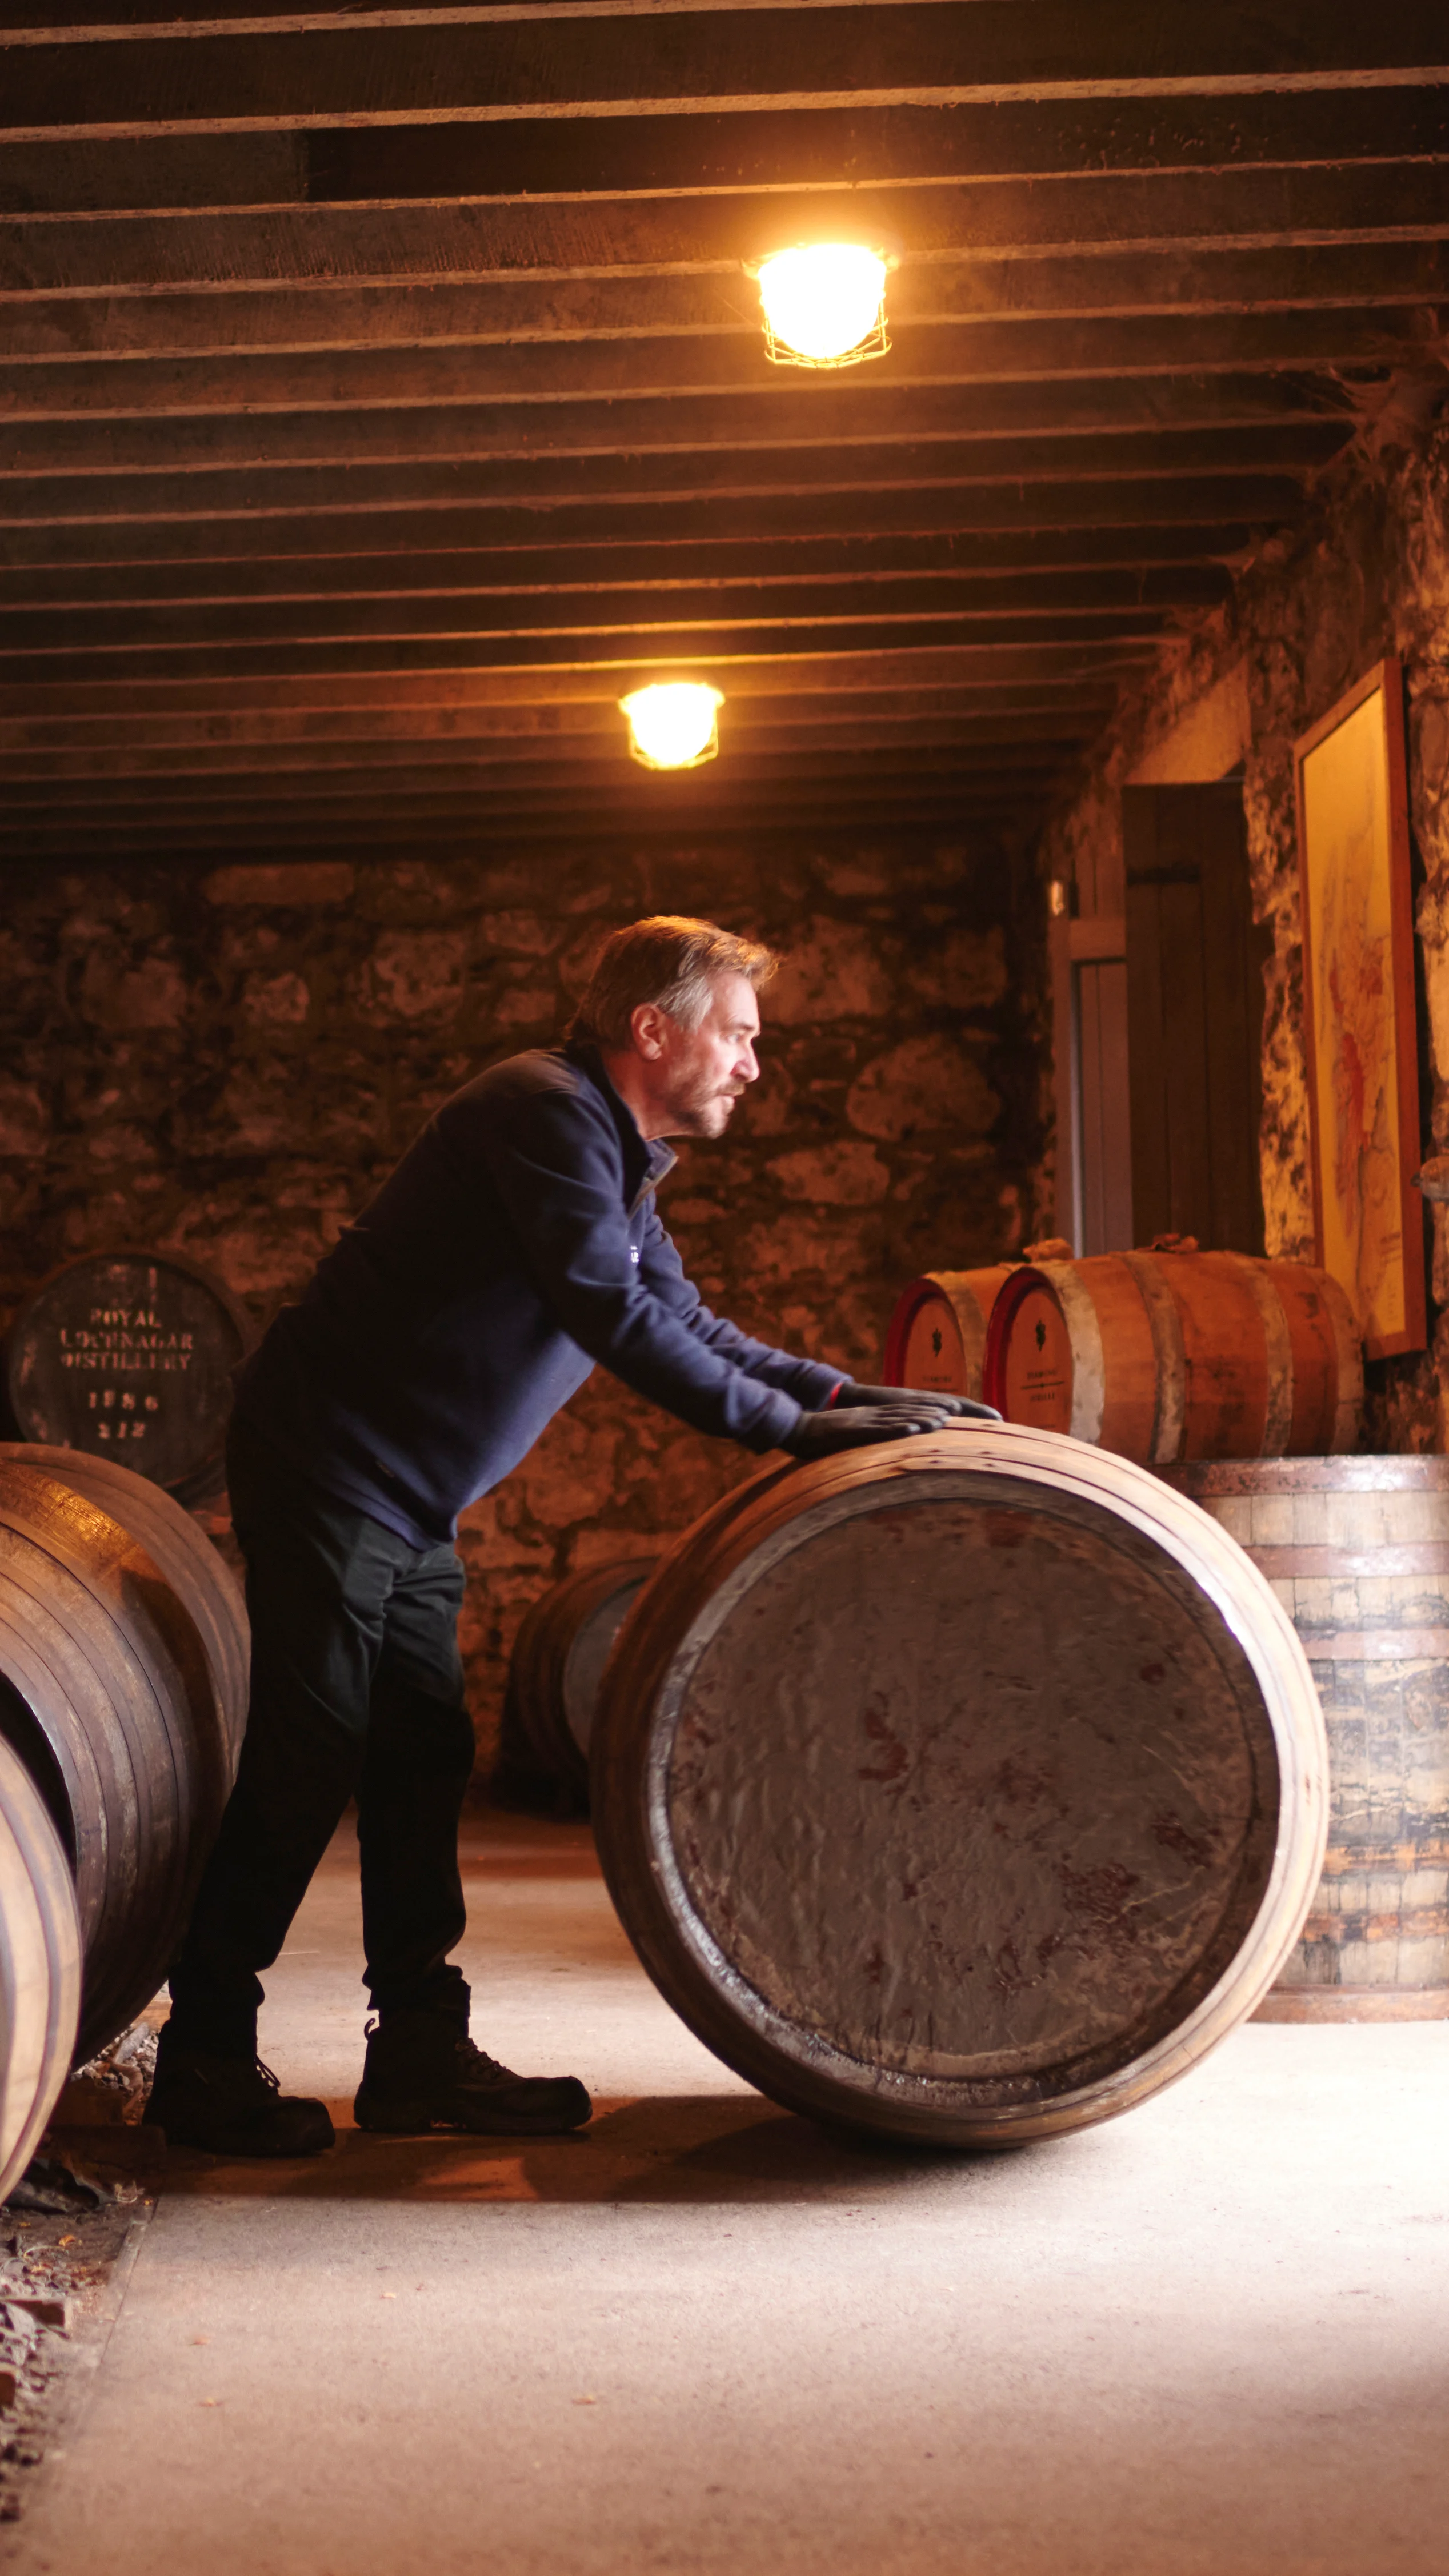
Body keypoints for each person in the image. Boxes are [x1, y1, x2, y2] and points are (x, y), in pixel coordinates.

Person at [146, 916, 998, 2157]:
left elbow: (686, 1319)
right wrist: (783, 1437)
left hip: (404, 1489)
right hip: (331, 1463)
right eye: (739, 1035)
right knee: (311, 1743)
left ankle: (418, 2048)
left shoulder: (616, 1156)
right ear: (652, 1030)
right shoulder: (540, 1113)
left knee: (421, 1748)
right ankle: (205, 2054)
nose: (754, 1064)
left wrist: (843, 1400)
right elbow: (607, 1312)